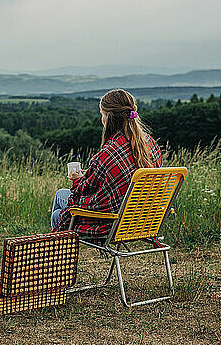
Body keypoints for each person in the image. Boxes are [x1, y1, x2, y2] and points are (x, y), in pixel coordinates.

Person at [51, 88, 162, 238]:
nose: (101, 119)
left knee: (58, 210)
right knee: (61, 202)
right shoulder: (150, 143)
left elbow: (85, 193)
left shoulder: (107, 155)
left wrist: (77, 180)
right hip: (143, 220)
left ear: (108, 118)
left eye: (102, 115)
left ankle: (57, 254)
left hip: (112, 224)